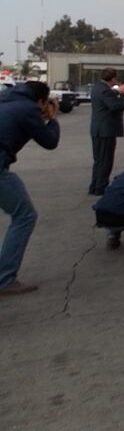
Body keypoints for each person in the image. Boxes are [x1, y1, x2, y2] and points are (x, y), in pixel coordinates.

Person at [0, 81, 60, 295]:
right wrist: (52, 119)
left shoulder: (6, 100)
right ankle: (5, 279)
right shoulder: (28, 109)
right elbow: (50, 142)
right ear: (41, 100)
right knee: (25, 216)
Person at [89, 68, 124, 195]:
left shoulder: (97, 88)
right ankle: (101, 187)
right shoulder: (106, 91)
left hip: (97, 129)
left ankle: (94, 185)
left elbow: (110, 99)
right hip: (106, 130)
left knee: (98, 160)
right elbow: (114, 106)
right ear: (113, 78)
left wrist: (119, 92)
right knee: (106, 161)